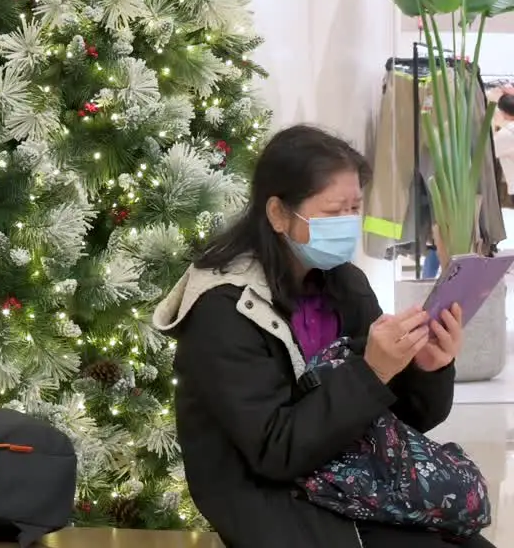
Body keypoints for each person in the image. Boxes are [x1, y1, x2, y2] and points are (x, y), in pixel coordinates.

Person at [153, 125, 491, 548]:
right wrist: (371, 373)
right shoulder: (223, 309)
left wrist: (425, 370)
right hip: (278, 501)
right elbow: (275, 451)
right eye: (333, 211)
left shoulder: (343, 284)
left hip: (354, 480)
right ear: (277, 214)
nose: (348, 223)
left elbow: (406, 422)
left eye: (355, 207)